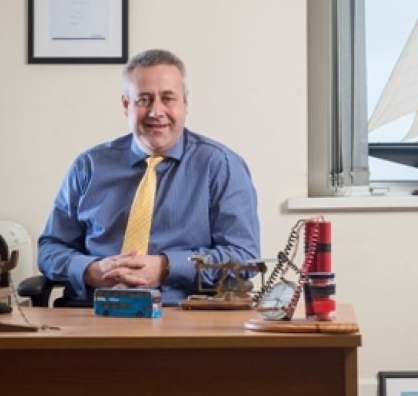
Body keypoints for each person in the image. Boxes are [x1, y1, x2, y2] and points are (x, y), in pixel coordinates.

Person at [37, 49, 261, 305]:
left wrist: (167, 267)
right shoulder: (89, 166)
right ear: (126, 105)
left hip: (181, 313)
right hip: (91, 310)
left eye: (168, 98)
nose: (156, 111)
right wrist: (91, 270)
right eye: (144, 99)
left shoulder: (220, 165)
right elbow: (51, 248)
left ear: (185, 103)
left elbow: (244, 256)